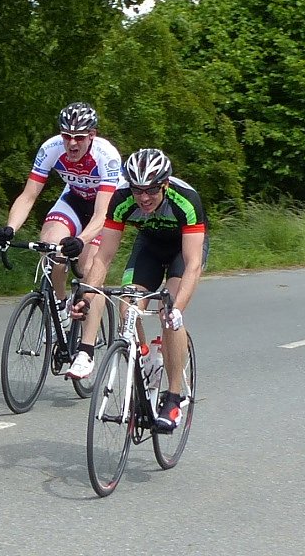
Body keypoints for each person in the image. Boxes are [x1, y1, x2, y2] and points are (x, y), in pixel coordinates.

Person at [66, 148, 208, 430]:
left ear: (165, 184)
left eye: (152, 190)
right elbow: (103, 258)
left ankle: (173, 397)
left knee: (169, 315)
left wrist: (177, 308)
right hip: (149, 249)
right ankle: (141, 357)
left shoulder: (186, 200)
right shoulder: (120, 200)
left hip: (183, 251)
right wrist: (86, 293)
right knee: (126, 304)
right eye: (137, 190)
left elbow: (192, 264)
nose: (143, 198)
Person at [0, 101, 121, 314]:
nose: (71, 143)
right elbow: (28, 195)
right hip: (74, 199)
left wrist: (80, 241)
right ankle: (60, 309)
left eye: (79, 137)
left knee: (88, 267)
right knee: (51, 246)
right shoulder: (51, 148)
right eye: (66, 136)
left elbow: (101, 215)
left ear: (92, 135)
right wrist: (11, 228)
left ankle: (86, 337)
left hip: (103, 208)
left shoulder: (106, 156)